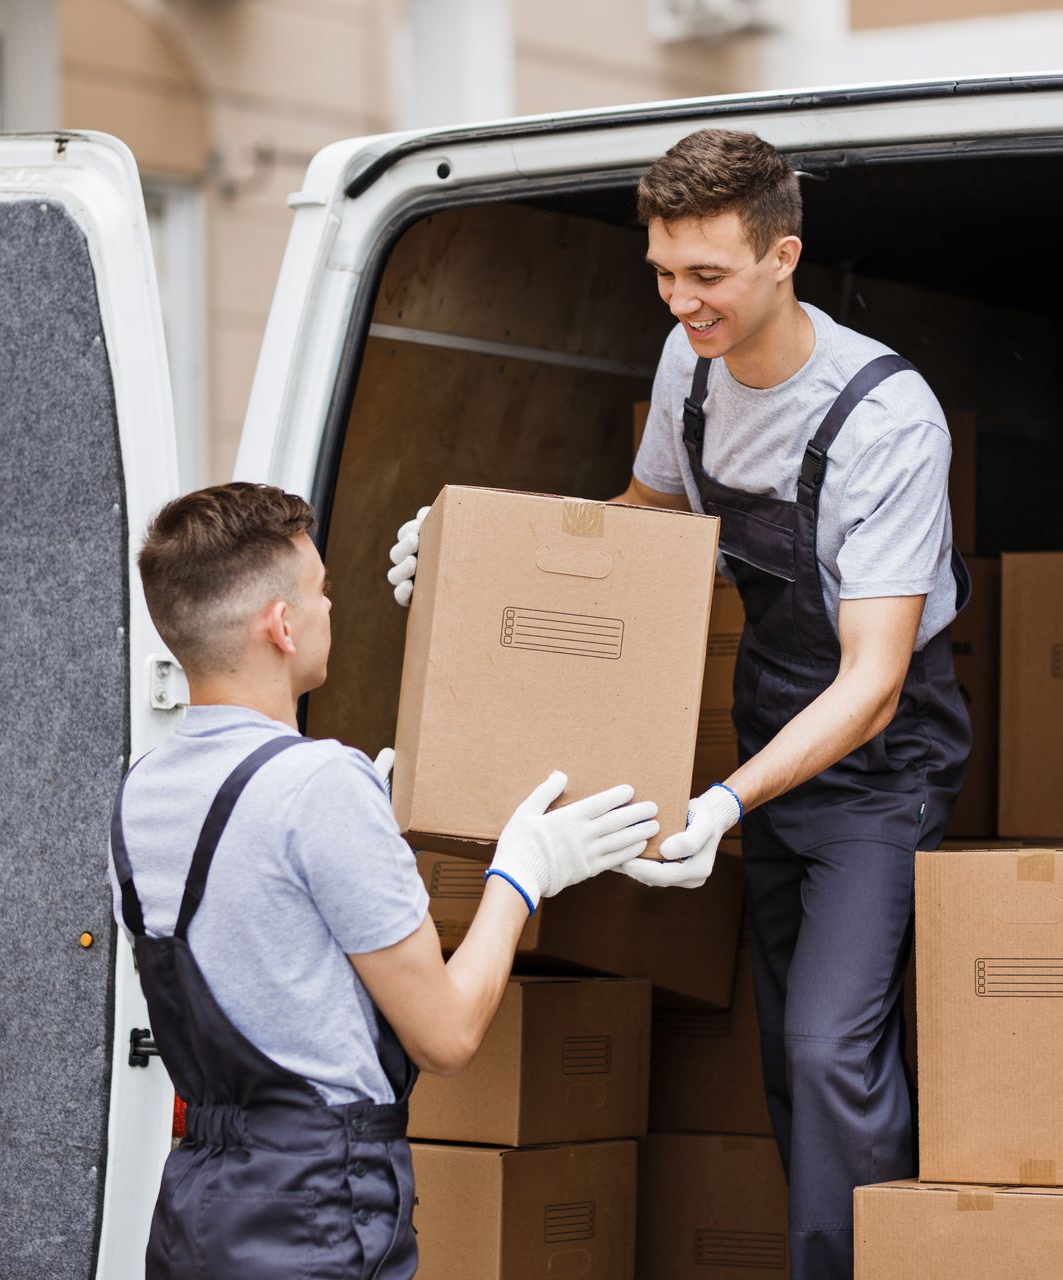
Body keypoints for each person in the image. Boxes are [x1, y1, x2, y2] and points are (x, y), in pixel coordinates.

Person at [388, 128, 969, 1280]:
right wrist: (472, 554)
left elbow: (875, 677)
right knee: (783, 1058)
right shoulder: (686, 369)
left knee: (823, 1050)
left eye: (706, 276)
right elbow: (645, 519)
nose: (679, 301)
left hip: (876, 772)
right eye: (662, 271)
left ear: (783, 255)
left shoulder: (887, 419)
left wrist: (719, 806)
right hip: (765, 741)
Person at [112, 482, 657, 1279]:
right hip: (317, 1217)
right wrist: (521, 872)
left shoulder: (140, 794)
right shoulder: (321, 789)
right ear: (282, 624)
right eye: (322, 591)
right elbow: (445, 1037)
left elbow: (267, 950)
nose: (331, 607)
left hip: (199, 1215)